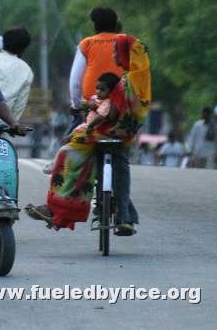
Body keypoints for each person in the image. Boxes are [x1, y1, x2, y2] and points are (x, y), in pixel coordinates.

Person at [26, 34, 151, 234]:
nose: (112, 55)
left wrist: (87, 111)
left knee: (69, 160)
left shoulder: (123, 82)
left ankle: (56, 208)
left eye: (115, 52)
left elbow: (109, 111)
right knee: (120, 168)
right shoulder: (139, 80)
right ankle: (125, 216)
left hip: (100, 134)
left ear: (124, 54)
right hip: (124, 137)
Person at [0, 27, 34, 124]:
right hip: (2, 125)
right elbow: (19, 106)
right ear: (23, 49)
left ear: (3, 42)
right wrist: (13, 124)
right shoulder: (26, 70)